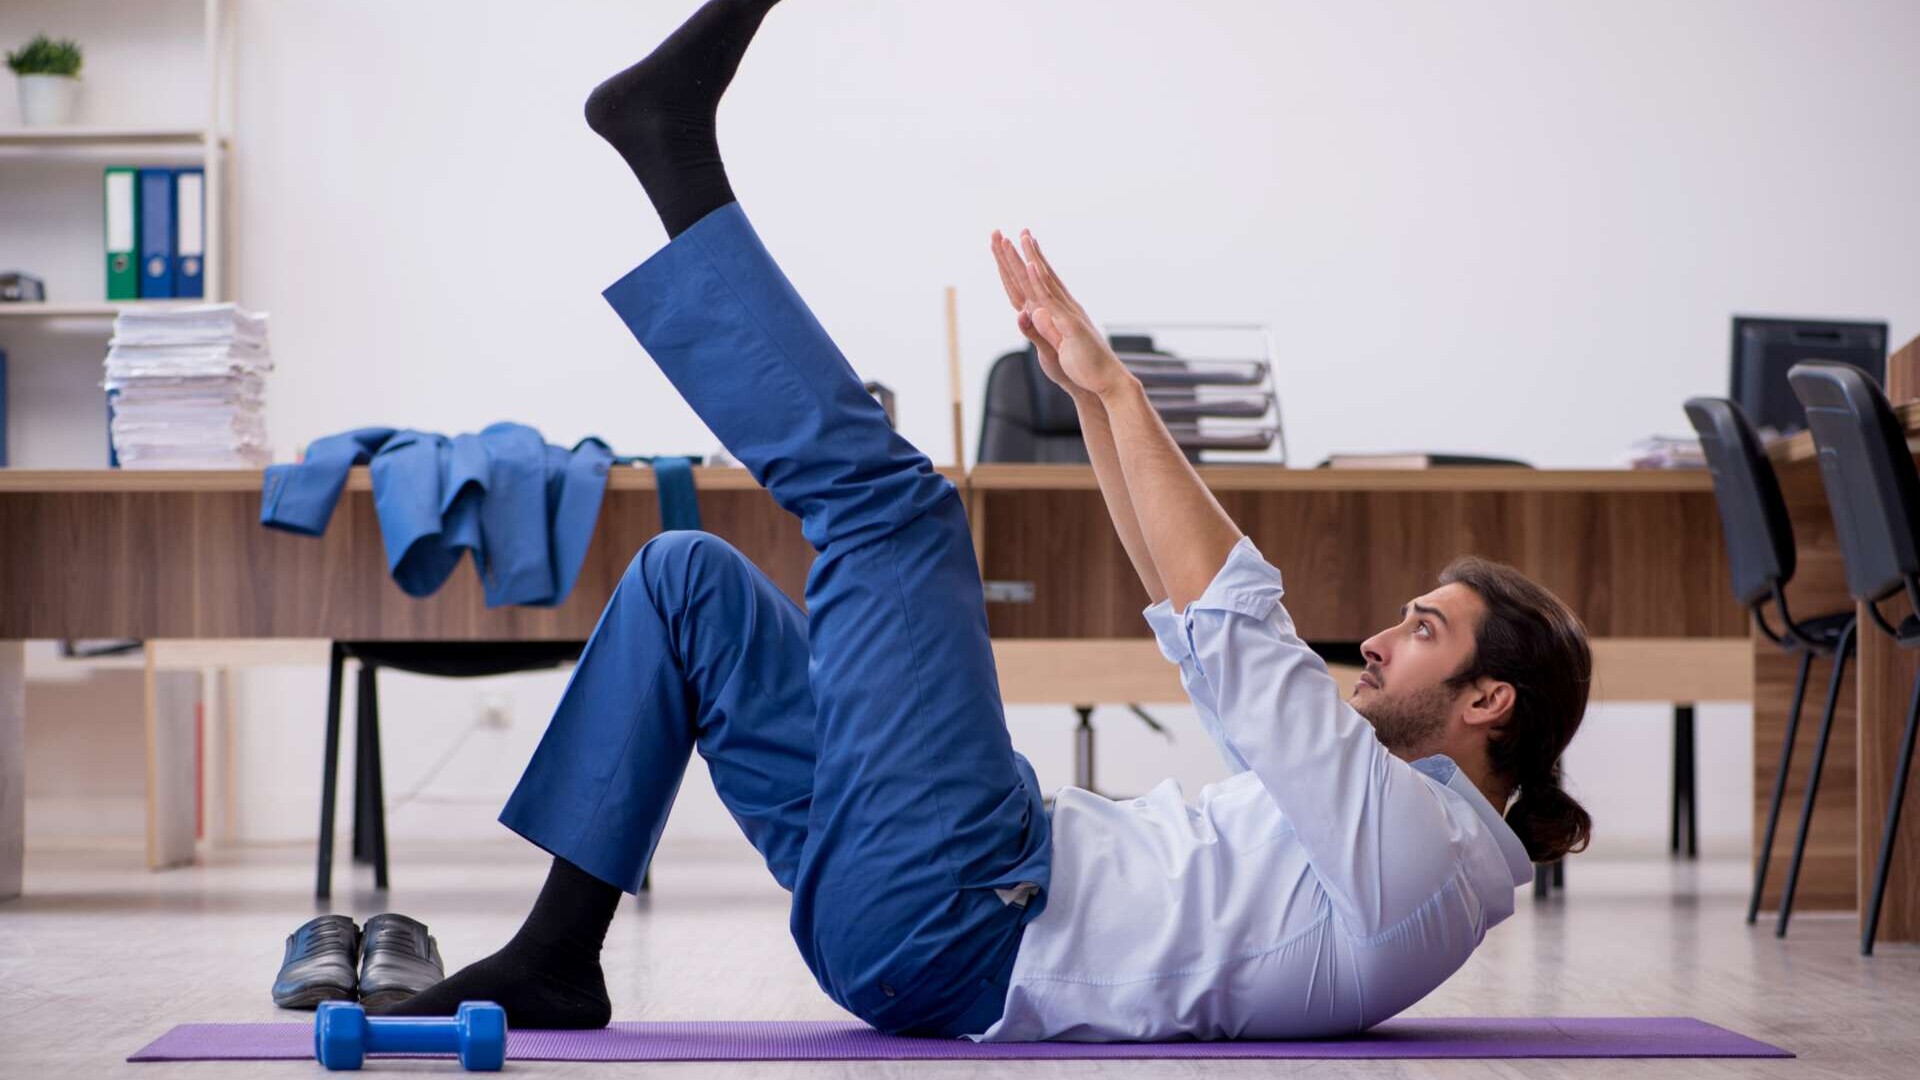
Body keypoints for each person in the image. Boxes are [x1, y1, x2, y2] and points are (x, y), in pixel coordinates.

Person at [377, 0, 1594, 1042]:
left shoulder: (1424, 866)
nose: (1379, 641)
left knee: (899, 513)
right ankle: (554, 955)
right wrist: (1092, 403)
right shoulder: (1390, 827)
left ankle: (674, 160)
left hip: (958, 919)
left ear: (1491, 702)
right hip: (951, 885)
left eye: (1423, 630)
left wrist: (1120, 390)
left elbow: (1245, 638)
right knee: (687, 579)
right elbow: (1201, 631)